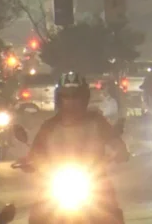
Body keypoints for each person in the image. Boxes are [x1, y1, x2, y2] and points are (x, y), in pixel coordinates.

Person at [25, 73, 129, 223]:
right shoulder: (49, 126)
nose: (71, 101)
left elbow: (114, 140)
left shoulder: (97, 122)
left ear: (84, 98)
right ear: (59, 99)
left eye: (76, 96)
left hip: (94, 182)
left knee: (112, 213)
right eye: (66, 96)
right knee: (37, 215)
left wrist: (121, 151)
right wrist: (30, 161)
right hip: (57, 183)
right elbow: (36, 151)